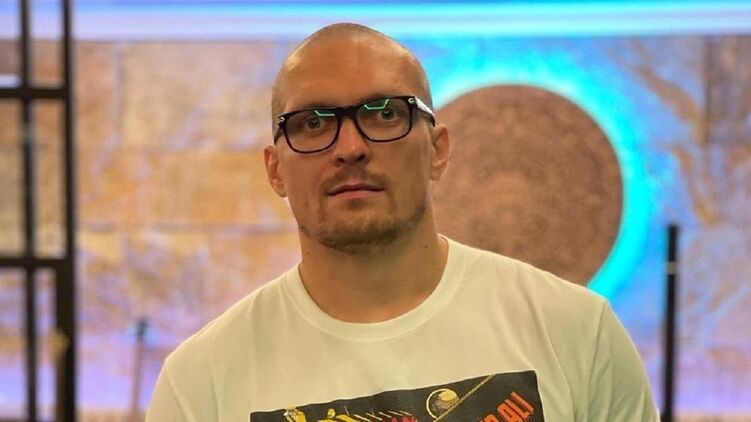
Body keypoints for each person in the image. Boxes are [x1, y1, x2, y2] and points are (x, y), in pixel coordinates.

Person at [146, 23, 658, 422]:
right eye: (313, 123)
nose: (350, 148)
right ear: (275, 169)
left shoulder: (576, 332)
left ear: (437, 150)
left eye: (384, 114)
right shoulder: (200, 383)